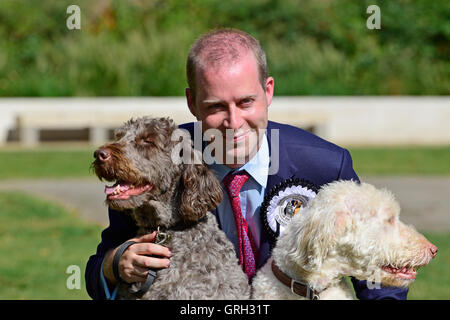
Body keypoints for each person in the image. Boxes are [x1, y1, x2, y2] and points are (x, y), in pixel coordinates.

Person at [85, 28, 408, 300]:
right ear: (191, 103)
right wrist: (115, 265)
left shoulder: (325, 166)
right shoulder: (158, 159)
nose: (233, 122)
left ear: (268, 91)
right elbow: (99, 270)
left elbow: (376, 270)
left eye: (245, 102)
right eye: (215, 106)